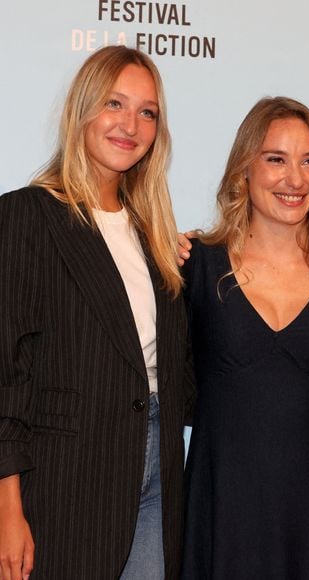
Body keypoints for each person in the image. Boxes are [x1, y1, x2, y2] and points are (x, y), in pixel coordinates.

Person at [0, 46, 194, 580]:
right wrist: (6, 510)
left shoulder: (156, 237)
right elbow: (5, 375)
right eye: (115, 103)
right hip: (65, 482)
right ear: (83, 110)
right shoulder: (26, 216)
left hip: (159, 474)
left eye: (147, 111)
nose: (130, 124)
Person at [179, 96, 309, 579]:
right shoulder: (195, 264)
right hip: (224, 509)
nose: (295, 179)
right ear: (244, 167)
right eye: (276, 159)